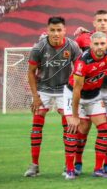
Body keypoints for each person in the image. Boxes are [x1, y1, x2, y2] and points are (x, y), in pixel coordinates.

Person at [64, 32, 107, 179]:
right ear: (90, 44)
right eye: (96, 44)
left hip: (94, 94)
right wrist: (74, 116)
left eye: (102, 44)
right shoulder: (83, 62)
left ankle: (98, 169)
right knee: (74, 128)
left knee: (104, 128)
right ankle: (70, 169)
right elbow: (77, 90)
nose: (100, 47)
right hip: (75, 95)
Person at [24, 16, 82, 177]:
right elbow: (30, 72)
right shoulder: (39, 48)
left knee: (69, 125)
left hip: (65, 90)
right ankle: (34, 165)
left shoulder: (73, 46)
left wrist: (75, 91)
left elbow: (80, 69)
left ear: (64, 31)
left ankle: (68, 166)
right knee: (37, 124)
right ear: (47, 30)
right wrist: (35, 97)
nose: (56, 33)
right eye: (52, 30)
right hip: (43, 89)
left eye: (59, 30)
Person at [73, 9, 107, 175]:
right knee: (83, 127)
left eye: (105, 20)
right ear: (93, 23)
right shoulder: (83, 38)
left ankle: (106, 164)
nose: (102, 23)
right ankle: (77, 163)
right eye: (99, 20)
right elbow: (69, 51)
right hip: (90, 90)